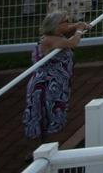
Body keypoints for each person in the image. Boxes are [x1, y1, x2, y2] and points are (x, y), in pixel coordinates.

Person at [22, 11, 88, 140]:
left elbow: (68, 28)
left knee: (52, 113)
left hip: (57, 82)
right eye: (66, 21)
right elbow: (73, 43)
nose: (69, 24)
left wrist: (78, 25)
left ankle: (46, 147)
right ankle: (36, 150)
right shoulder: (50, 40)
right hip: (45, 85)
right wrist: (79, 30)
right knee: (43, 116)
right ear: (56, 25)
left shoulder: (57, 34)